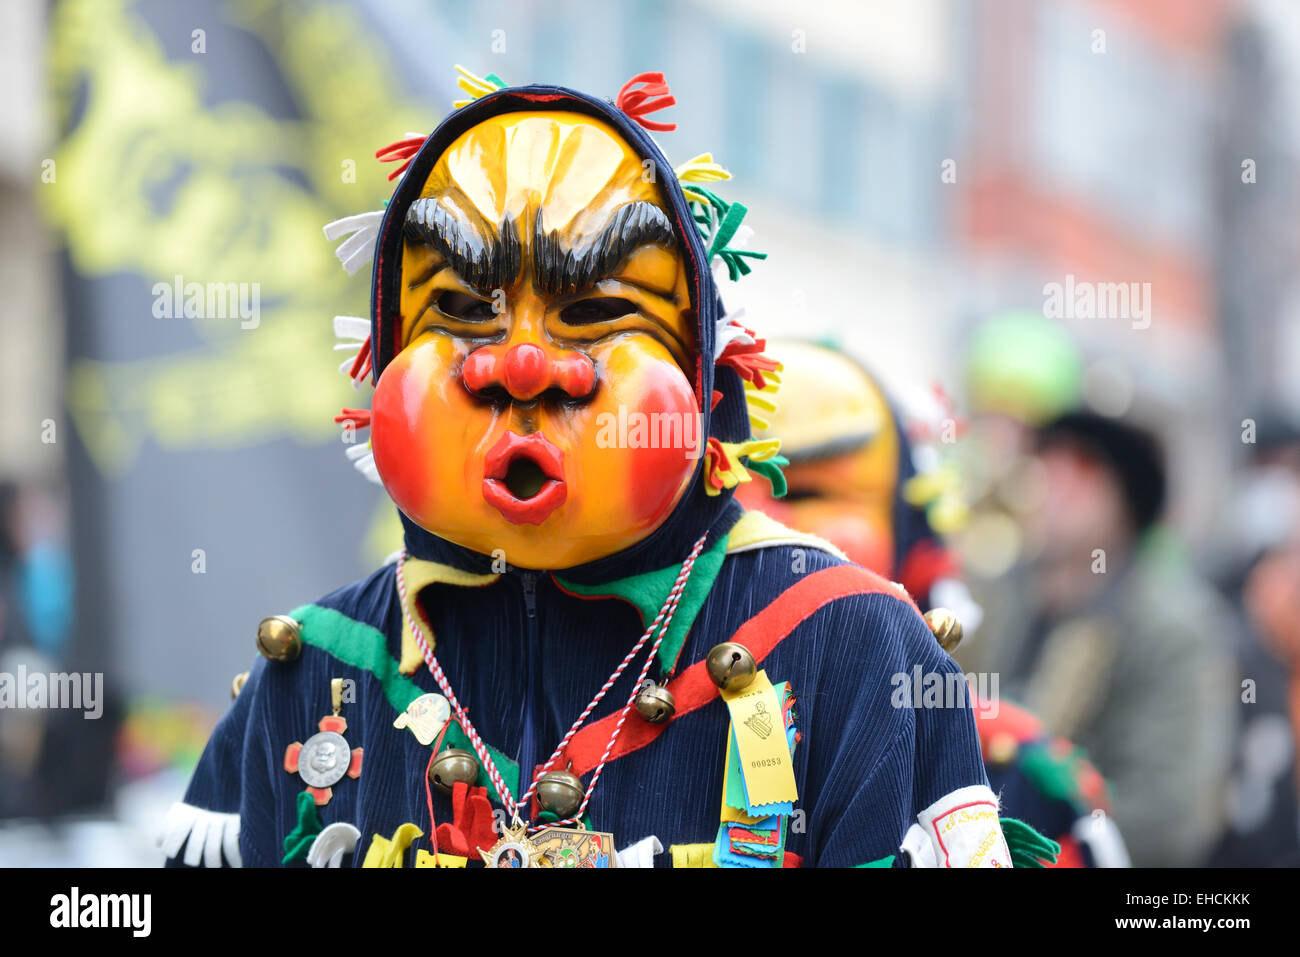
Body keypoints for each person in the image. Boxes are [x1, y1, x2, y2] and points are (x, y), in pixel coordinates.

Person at [161, 69, 1032, 868]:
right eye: (462, 310)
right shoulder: (318, 662)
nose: (521, 365)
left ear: (703, 373)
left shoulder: (843, 641)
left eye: (595, 312)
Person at [738, 340, 1124, 865]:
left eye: (802, 492)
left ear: (908, 532)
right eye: (722, 489)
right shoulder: (608, 720)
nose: (748, 524)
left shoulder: (1010, 773)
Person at [972, 410, 1237, 866]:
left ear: (1127, 496)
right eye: (1047, 460)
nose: (1056, 482)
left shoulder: (1175, 629)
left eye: (1084, 467)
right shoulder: (998, 599)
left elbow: (1169, 819)